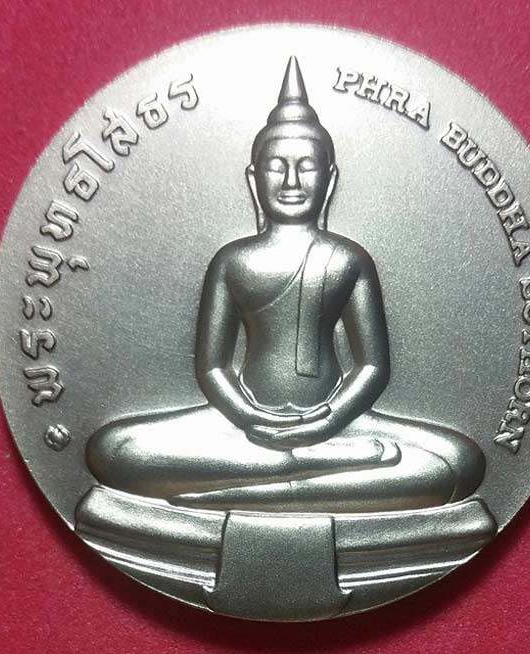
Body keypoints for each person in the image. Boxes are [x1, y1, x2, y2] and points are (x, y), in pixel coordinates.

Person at [86, 57, 485, 512]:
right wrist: (249, 416)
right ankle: (308, 474)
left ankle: (257, 483)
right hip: (241, 429)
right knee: (113, 451)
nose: (292, 181)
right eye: (277, 166)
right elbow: (213, 368)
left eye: (306, 167)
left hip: (340, 427)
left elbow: (372, 367)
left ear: (330, 180)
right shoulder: (232, 261)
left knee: (459, 462)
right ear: (254, 179)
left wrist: (326, 421)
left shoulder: (350, 260)